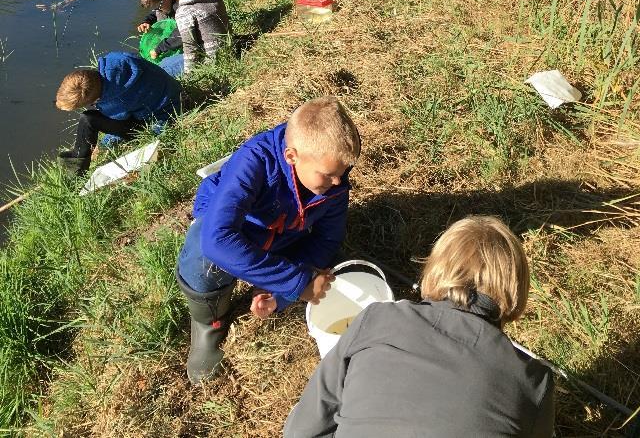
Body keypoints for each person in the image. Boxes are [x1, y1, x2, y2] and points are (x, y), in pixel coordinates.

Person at [284, 215, 555, 438]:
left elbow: (302, 430)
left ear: (436, 269)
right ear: (515, 289)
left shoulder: (375, 319)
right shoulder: (534, 381)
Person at [176, 95, 361, 384]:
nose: (338, 183)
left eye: (344, 172)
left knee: (313, 254)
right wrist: (298, 282)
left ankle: (269, 273)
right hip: (236, 228)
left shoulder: (334, 180)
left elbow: (327, 239)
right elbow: (217, 239)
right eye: (329, 175)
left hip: (284, 229)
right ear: (291, 156)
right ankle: (207, 322)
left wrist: (280, 291)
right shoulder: (254, 161)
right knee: (202, 254)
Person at [55, 51, 182, 176]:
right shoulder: (114, 61)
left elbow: (121, 122)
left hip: (163, 114)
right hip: (170, 92)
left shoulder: (117, 99)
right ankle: (78, 161)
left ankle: (76, 170)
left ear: (93, 100)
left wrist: (105, 143)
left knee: (88, 119)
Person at [163, 0, 230, 75]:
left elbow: (190, 46)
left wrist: (190, 75)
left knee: (164, 65)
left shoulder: (184, 11)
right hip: (227, 49)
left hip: (210, 61)